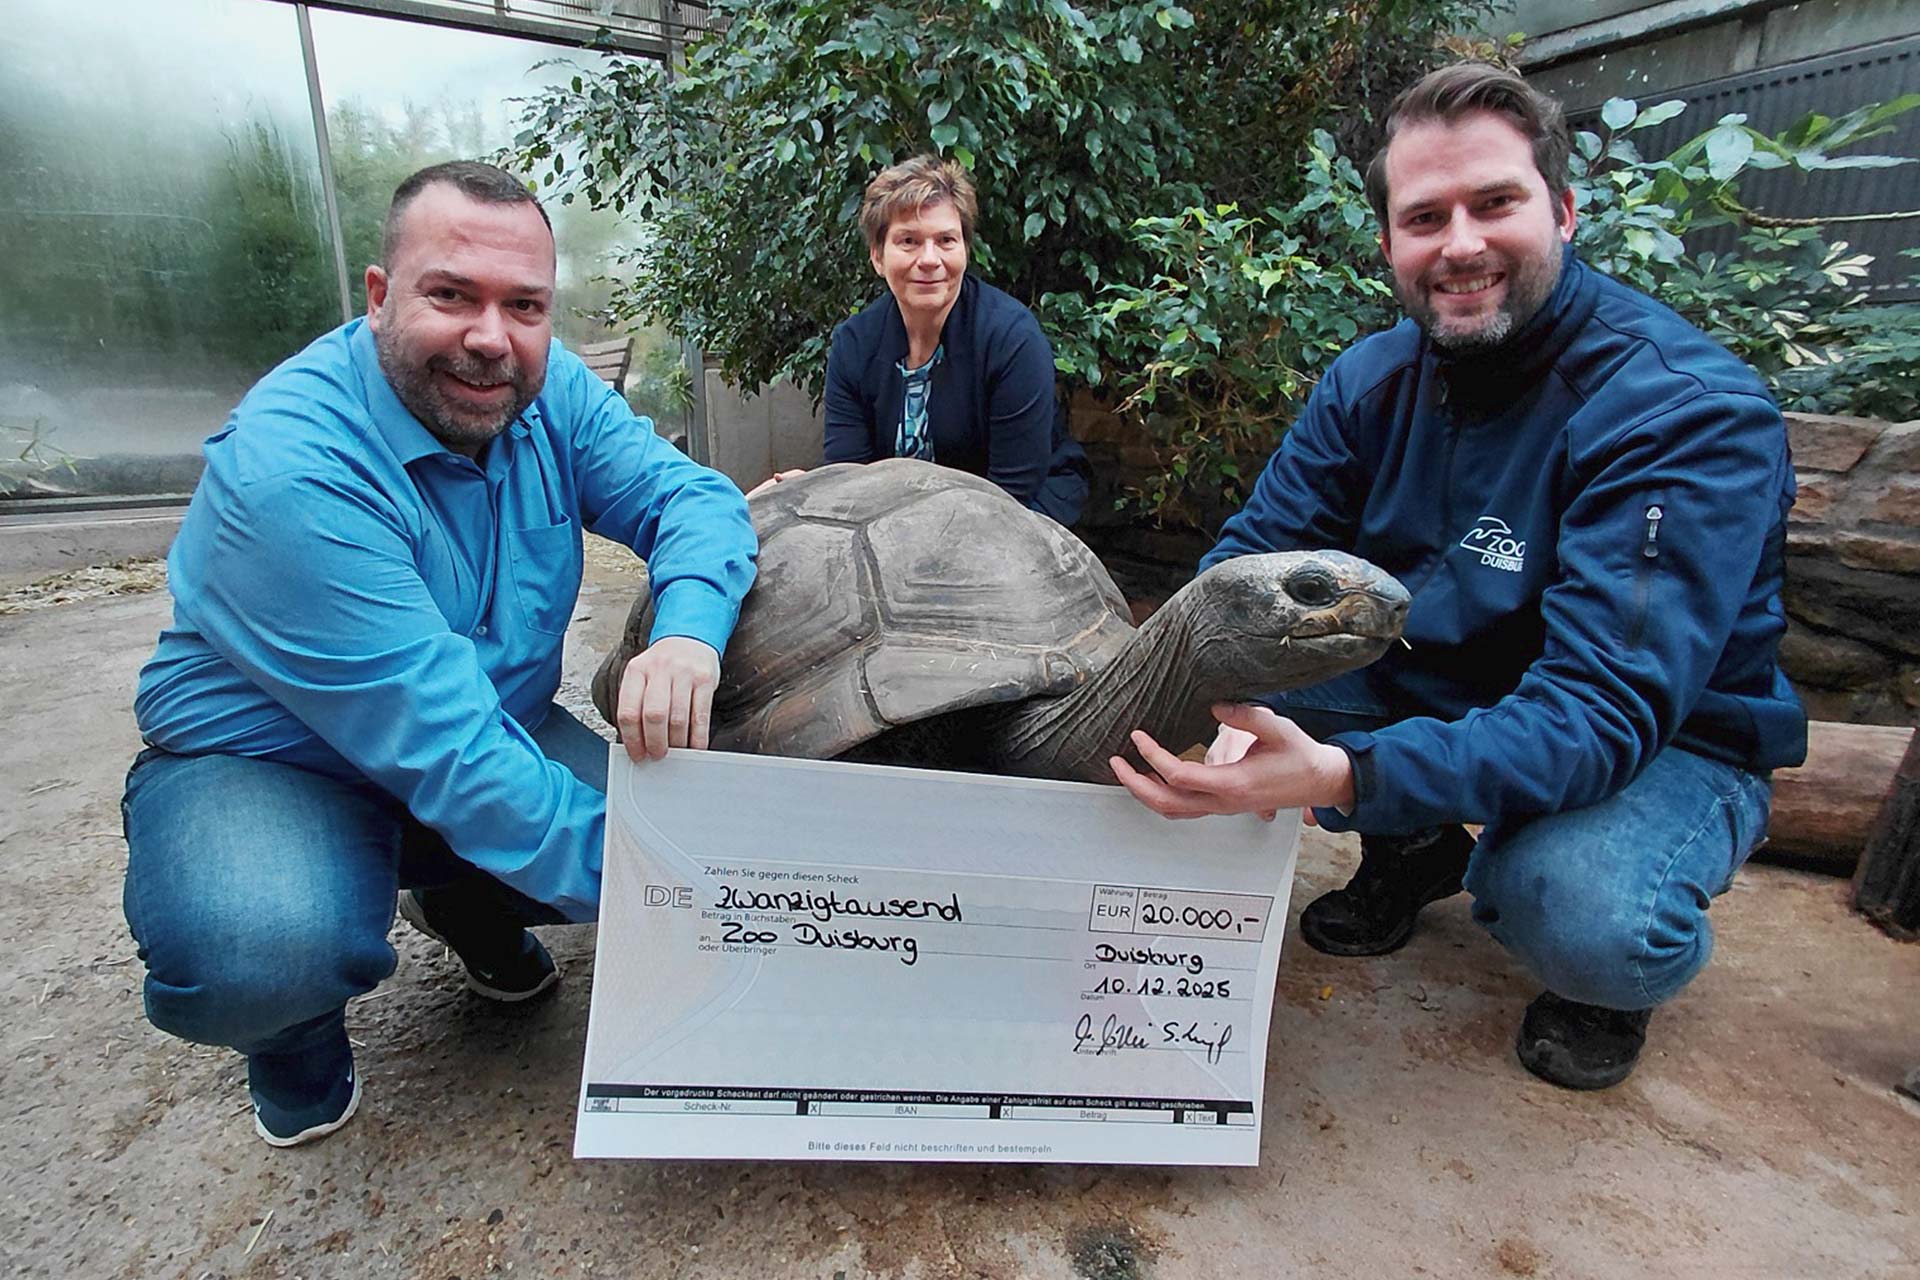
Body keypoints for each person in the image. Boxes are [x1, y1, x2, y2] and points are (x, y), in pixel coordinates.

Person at [1110, 64, 1807, 1091]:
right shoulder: (1371, 381)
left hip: (1660, 732)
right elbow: (1245, 566)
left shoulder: (1680, 413)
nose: (1462, 243)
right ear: (1389, 244)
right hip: (1438, 669)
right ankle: (1419, 847)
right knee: (1174, 687)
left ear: (1564, 210)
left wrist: (1350, 777)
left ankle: (1600, 969)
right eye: (1425, 216)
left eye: (1496, 202)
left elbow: (1600, 708)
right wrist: (1224, 689)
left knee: (1579, 911)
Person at [121, 161, 757, 1146]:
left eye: (524, 304)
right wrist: (731, 905)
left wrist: (686, 632)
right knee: (259, 944)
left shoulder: (554, 398)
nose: (490, 338)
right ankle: (291, 1037)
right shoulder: (294, 468)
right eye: (452, 295)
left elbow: (699, 500)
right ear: (380, 297)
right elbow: (452, 754)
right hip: (272, 761)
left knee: (652, 817)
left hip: (486, 723)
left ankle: (460, 899)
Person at [759, 155, 1090, 524]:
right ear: (878, 257)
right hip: (901, 521)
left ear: (965, 250)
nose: (929, 259)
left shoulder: (1012, 340)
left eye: (946, 240)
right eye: (909, 241)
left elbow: (1008, 495)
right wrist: (815, 494)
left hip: (1018, 514)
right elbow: (852, 479)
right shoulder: (854, 345)